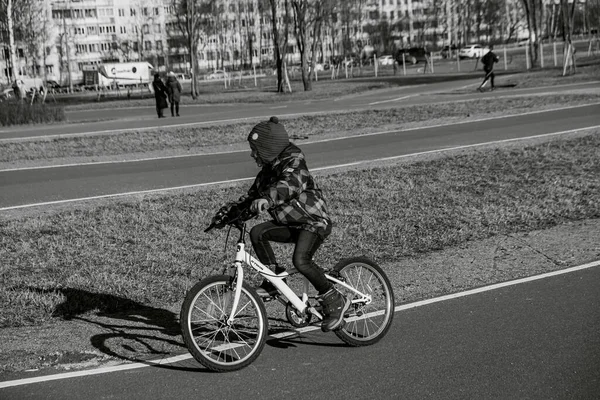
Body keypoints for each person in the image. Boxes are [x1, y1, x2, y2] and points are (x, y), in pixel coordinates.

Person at [224, 116, 349, 333]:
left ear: (269, 149)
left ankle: (334, 299)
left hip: (314, 222)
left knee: (301, 260)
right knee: (258, 232)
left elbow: (289, 185)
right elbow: (250, 197)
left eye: (256, 149)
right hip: (292, 224)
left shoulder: (295, 164)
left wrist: (268, 198)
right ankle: (273, 279)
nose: (253, 154)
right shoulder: (266, 173)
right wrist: (230, 214)